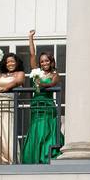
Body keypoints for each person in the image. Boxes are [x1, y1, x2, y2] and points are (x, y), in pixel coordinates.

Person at [20, 30, 63, 164]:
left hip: (48, 105)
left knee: (47, 129)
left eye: (47, 61)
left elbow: (52, 83)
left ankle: (46, 154)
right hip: (36, 105)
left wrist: (41, 83)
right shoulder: (36, 71)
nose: (44, 63)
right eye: (42, 61)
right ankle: (34, 156)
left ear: (51, 62)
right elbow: (32, 54)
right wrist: (30, 38)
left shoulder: (55, 74)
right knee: (36, 129)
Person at [0, 50, 25, 164]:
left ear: (16, 63)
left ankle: (10, 159)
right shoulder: (2, 75)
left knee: (7, 130)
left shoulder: (20, 73)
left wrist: (6, 88)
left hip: (8, 103)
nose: (10, 64)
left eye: (12, 61)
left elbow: (19, 81)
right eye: (8, 62)